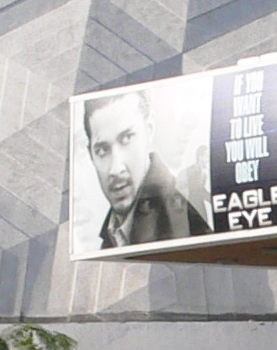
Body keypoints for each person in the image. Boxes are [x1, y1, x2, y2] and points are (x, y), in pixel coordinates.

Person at [83, 89, 208, 248]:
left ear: (149, 129)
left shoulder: (181, 224)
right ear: (90, 155)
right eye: (102, 150)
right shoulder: (113, 230)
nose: (115, 168)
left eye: (126, 139)